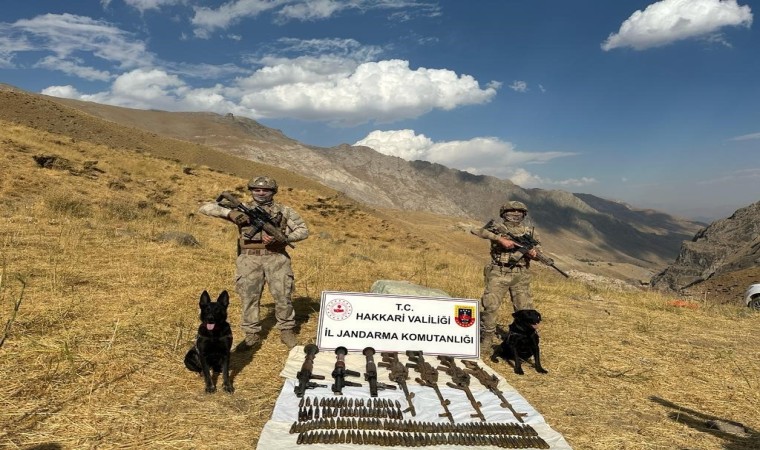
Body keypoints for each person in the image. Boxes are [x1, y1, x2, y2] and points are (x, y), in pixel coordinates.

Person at [199, 176, 309, 350]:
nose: (261, 193)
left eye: (265, 190)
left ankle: (286, 330)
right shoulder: (242, 208)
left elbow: (303, 230)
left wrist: (284, 238)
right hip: (249, 259)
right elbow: (206, 207)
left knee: (283, 295)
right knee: (249, 297)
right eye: (256, 190)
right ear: (251, 191)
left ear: (273, 192)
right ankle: (251, 334)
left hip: (276, 257)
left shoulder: (284, 211)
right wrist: (231, 214)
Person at [471, 200, 540, 345]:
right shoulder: (498, 229)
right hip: (499, 271)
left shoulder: (529, 232)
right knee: (490, 306)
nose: (515, 214)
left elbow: (538, 253)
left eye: (519, 211)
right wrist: (500, 239)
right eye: (511, 211)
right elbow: (477, 231)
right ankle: (486, 339)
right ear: (503, 213)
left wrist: (534, 254)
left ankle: (523, 341)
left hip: (521, 274)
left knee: (524, 309)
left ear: (524, 214)